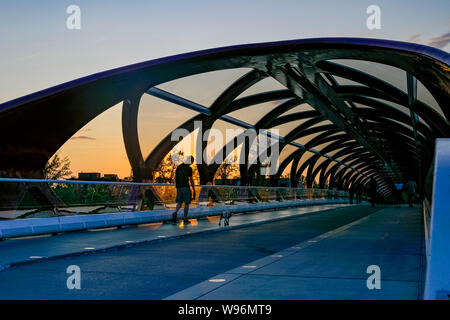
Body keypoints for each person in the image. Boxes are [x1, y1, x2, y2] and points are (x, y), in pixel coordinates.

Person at [172, 156, 196, 223]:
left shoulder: (179, 167)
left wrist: (177, 185)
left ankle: (175, 212)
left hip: (179, 187)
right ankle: (185, 218)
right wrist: (193, 189)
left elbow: (176, 177)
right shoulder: (189, 168)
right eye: (192, 161)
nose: (192, 163)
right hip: (186, 187)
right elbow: (191, 179)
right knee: (186, 203)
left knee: (179, 202)